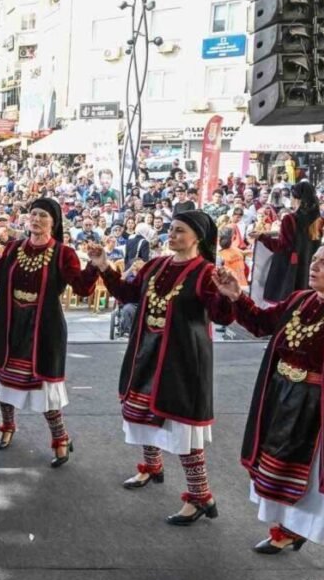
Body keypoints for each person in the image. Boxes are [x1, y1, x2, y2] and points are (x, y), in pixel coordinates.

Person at [216, 240, 324, 580]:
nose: (314, 267)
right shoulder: (301, 301)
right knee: (287, 486)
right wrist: (237, 296)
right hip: (285, 409)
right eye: (314, 260)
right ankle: (289, 532)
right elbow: (261, 323)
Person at [87, 210, 234, 525]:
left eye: (181, 231)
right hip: (147, 350)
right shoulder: (156, 265)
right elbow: (128, 294)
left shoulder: (207, 272)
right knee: (141, 413)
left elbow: (221, 316)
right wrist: (103, 265)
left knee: (181, 428)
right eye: (172, 229)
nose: (173, 235)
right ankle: (152, 466)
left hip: (182, 360)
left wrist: (229, 295)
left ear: (198, 237)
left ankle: (201, 495)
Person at [0, 198, 101, 466]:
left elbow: (82, 289)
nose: (36, 219)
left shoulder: (63, 253)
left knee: (45, 388)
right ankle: (7, 426)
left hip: (44, 328)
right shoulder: (14, 247)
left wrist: (94, 267)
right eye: (33, 214)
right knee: (4, 380)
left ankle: (60, 437)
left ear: (54, 222)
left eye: (43, 215)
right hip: (11, 324)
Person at [253, 180, 324, 304]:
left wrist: (262, 237)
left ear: (297, 198)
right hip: (309, 267)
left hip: (290, 269)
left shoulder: (290, 219)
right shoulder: (319, 220)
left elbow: (282, 247)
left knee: (287, 304)